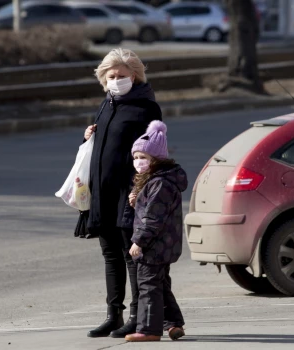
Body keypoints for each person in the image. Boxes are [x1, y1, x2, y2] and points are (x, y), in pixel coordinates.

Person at [83, 48, 162, 338]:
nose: (116, 80)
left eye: (122, 76)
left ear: (135, 76)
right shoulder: (106, 105)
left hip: (129, 192)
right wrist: (90, 134)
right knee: (110, 254)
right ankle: (112, 314)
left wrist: (139, 188)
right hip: (103, 192)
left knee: (132, 255)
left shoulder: (147, 108)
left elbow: (154, 153)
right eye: (111, 76)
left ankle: (136, 316)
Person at [125, 120, 187, 342]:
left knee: (148, 286)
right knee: (160, 284)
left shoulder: (159, 183)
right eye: (136, 157)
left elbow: (153, 218)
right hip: (164, 244)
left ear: (157, 159)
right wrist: (137, 200)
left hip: (155, 245)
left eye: (143, 158)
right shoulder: (159, 180)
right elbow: (152, 209)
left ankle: (148, 329)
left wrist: (139, 242)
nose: (138, 162)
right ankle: (173, 324)